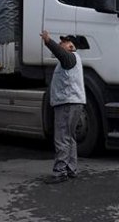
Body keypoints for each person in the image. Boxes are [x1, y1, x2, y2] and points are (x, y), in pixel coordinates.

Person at [41, 30, 86, 184]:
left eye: (64, 42)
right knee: (70, 138)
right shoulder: (71, 60)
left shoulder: (70, 58)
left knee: (62, 138)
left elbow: (60, 53)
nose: (60, 44)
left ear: (71, 46)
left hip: (67, 104)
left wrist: (49, 41)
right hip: (73, 103)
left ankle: (60, 172)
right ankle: (71, 169)